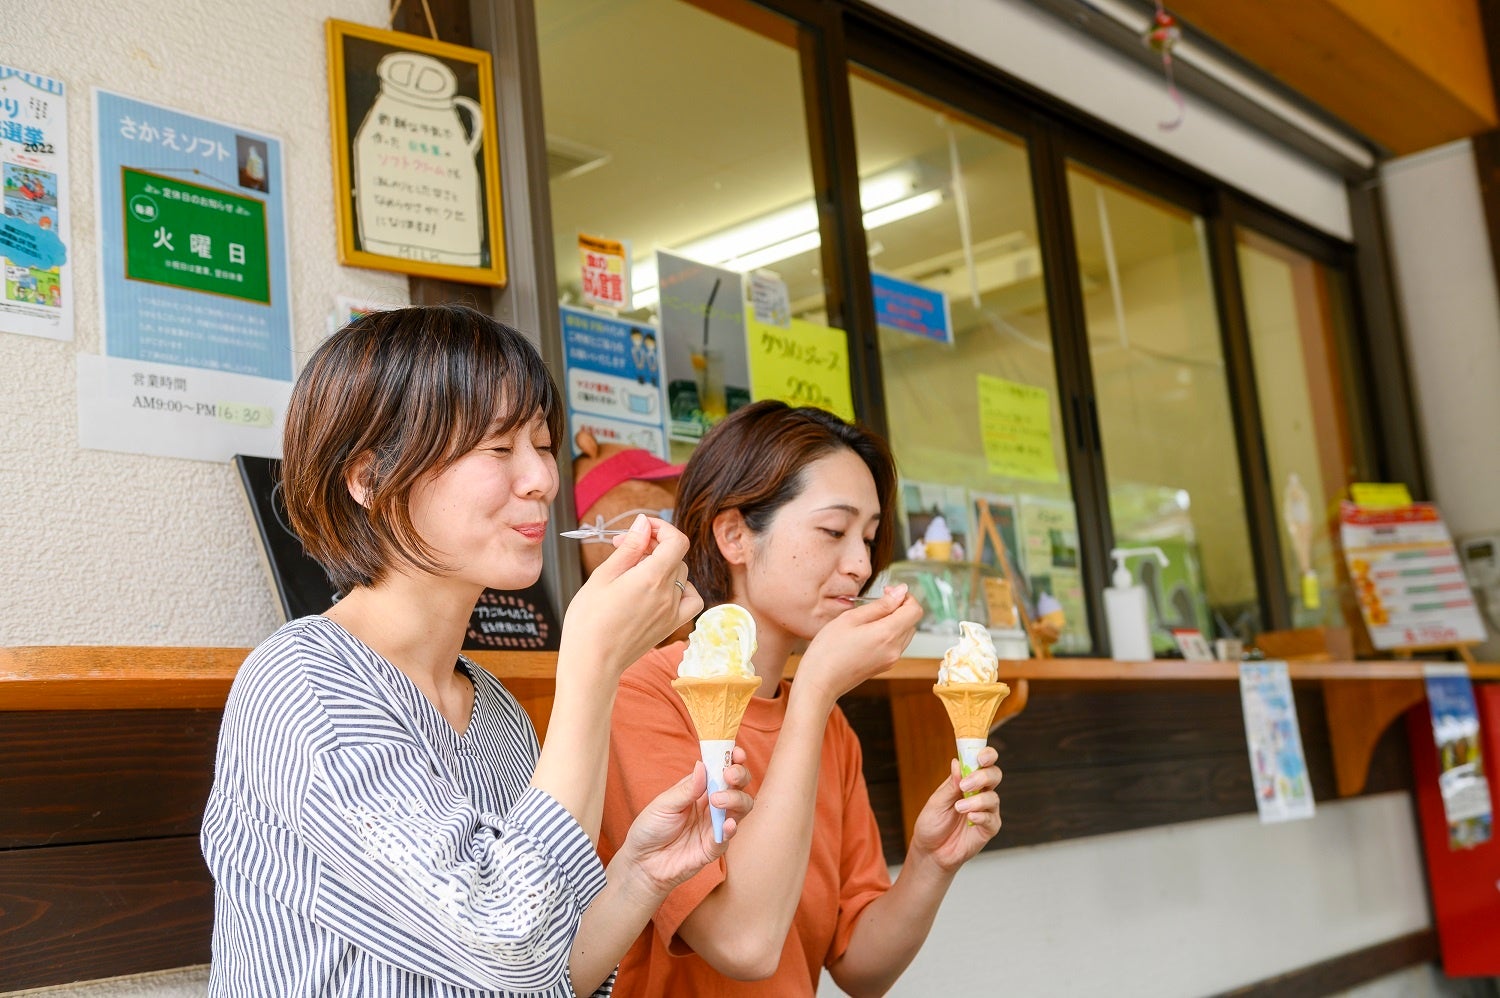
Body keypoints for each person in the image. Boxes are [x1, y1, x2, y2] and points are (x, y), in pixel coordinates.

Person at [200, 305, 753, 997]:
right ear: (369, 479)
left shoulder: (492, 710)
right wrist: (590, 665)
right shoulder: (303, 684)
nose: (543, 480)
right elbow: (507, 939)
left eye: (544, 443)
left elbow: (547, 975)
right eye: (498, 448)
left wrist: (644, 874)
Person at [600, 401, 1004, 996]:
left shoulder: (828, 724)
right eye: (833, 532)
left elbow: (862, 970)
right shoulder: (642, 697)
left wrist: (930, 863)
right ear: (734, 534)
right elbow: (745, 945)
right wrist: (815, 689)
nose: (862, 565)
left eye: (868, 537)